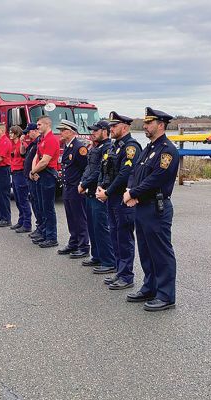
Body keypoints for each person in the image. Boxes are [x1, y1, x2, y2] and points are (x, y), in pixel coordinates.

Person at [124, 107, 179, 311]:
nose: (145, 126)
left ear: (161, 125)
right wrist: (130, 190)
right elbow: (135, 171)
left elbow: (156, 178)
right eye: (145, 123)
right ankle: (150, 287)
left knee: (161, 252)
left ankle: (166, 295)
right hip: (142, 206)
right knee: (146, 251)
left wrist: (133, 194)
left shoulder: (167, 151)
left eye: (148, 123)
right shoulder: (149, 148)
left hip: (157, 207)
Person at [96, 112, 141, 289]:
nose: (111, 129)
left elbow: (124, 175)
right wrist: (101, 188)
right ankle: (119, 271)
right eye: (110, 126)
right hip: (111, 197)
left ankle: (127, 276)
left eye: (114, 126)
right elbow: (105, 169)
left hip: (121, 198)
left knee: (124, 237)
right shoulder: (115, 147)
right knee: (114, 235)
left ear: (125, 127)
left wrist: (107, 191)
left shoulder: (131, 147)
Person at [78, 120, 116, 271]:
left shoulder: (108, 148)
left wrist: (84, 184)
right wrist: (83, 181)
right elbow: (89, 167)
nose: (92, 133)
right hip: (90, 192)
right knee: (92, 227)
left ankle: (108, 261)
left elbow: (99, 172)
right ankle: (97, 256)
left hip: (99, 192)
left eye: (95, 130)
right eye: (92, 130)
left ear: (105, 131)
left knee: (101, 227)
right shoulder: (96, 147)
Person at [57, 119, 90, 259]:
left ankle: (83, 246)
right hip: (68, 186)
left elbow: (85, 168)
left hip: (76, 187)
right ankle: (74, 242)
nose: (60, 133)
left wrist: (82, 185)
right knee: (71, 217)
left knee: (79, 217)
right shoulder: (68, 146)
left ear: (70, 132)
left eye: (63, 131)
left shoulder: (79, 147)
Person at [30, 116, 60, 248]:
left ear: (47, 124)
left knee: (48, 208)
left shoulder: (52, 140)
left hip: (47, 175)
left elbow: (45, 161)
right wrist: (34, 171)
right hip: (40, 174)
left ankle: (51, 237)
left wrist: (33, 172)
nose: (37, 127)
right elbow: (37, 157)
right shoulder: (42, 139)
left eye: (39, 124)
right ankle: (44, 233)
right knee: (41, 207)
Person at [20, 123, 42, 238]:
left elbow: (39, 159)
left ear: (34, 130)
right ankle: (39, 227)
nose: (27, 134)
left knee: (38, 204)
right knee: (34, 202)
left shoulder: (38, 142)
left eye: (29, 132)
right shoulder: (33, 143)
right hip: (29, 177)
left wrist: (33, 171)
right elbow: (23, 154)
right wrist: (21, 142)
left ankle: (41, 228)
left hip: (34, 177)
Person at [9, 125, 32, 233]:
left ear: (17, 133)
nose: (10, 134)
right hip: (14, 172)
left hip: (21, 173)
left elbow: (23, 155)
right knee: (18, 199)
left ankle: (27, 224)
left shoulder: (22, 144)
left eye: (12, 132)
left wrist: (22, 143)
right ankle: (21, 220)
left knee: (23, 199)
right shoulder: (13, 144)